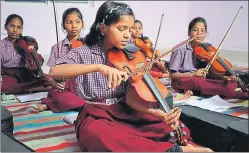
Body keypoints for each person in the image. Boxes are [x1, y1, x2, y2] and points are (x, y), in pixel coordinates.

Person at [49, 2, 213, 152]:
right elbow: (54, 71)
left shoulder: (128, 57)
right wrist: (99, 67)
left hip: (125, 111)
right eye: (121, 29)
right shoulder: (84, 51)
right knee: (99, 136)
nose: (128, 35)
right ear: (104, 28)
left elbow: (130, 100)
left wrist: (159, 114)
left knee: (166, 126)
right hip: (96, 114)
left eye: (130, 29)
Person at [169, 17, 248, 99]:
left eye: (202, 31)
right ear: (189, 32)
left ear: (205, 33)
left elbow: (209, 72)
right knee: (198, 82)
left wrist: (225, 77)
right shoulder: (180, 49)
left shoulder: (204, 49)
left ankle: (201, 90)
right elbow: (172, 75)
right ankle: (240, 95)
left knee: (230, 83)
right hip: (182, 80)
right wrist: (193, 74)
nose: (199, 34)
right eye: (195, 30)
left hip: (200, 78)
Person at [40, 8, 86, 112]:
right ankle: (81, 105)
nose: (74, 26)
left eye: (77, 22)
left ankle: (51, 104)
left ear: (82, 23)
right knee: (58, 94)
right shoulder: (56, 47)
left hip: (83, 85)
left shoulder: (88, 45)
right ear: (63, 25)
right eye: (69, 22)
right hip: (64, 86)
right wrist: (52, 82)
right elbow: (51, 72)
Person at [0, 14, 50, 94]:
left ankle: (28, 88)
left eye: (18, 27)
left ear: (21, 30)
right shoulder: (1, 45)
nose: (15, 30)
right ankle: (33, 88)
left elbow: (36, 58)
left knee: (48, 80)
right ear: (6, 27)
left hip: (25, 73)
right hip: (8, 74)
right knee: (4, 86)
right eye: (12, 26)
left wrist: (36, 62)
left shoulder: (26, 43)